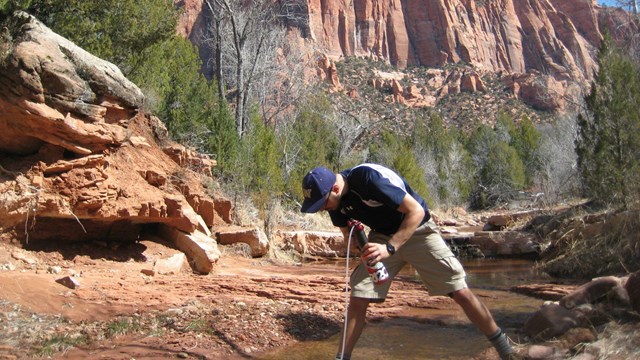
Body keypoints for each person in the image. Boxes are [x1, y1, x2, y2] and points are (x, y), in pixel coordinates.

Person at [300, 163, 517, 360]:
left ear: (335, 189)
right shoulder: (335, 204)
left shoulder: (368, 179)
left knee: (459, 290)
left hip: (417, 231)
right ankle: (342, 357)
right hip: (382, 237)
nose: (320, 208)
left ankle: (505, 350)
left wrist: (390, 248)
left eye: (322, 202)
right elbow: (348, 234)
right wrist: (358, 245)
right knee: (359, 295)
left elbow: (416, 211)